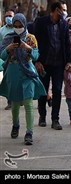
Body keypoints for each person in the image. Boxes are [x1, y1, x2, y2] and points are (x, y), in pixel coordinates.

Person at [0, 13, 46, 145]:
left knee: (28, 103)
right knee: (14, 103)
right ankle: (16, 125)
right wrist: (8, 49)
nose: (18, 28)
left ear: (25, 24)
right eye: (15, 26)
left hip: (28, 74)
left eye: (20, 26)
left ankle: (29, 132)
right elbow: (2, 56)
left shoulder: (30, 38)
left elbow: (36, 56)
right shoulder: (8, 38)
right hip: (13, 73)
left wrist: (27, 47)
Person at [33, 1, 71, 130]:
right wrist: (36, 61)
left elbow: (67, 43)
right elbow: (35, 42)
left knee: (57, 90)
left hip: (58, 64)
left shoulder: (64, 24)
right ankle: (42, 116)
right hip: (44, 63)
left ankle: (55, 119)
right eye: (63, 10)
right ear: (56, 10)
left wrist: (69, 61)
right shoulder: (41, 22)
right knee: (43, 91)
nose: (65, 12)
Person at [0, 8, 15, 110]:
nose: (9, 18)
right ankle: (10, 101)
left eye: (11, 16)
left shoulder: (19, 28)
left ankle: (18, 98)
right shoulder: (1, 30)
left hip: (18, 59)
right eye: (7, 16)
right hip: (6, 58)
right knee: (8, 80)